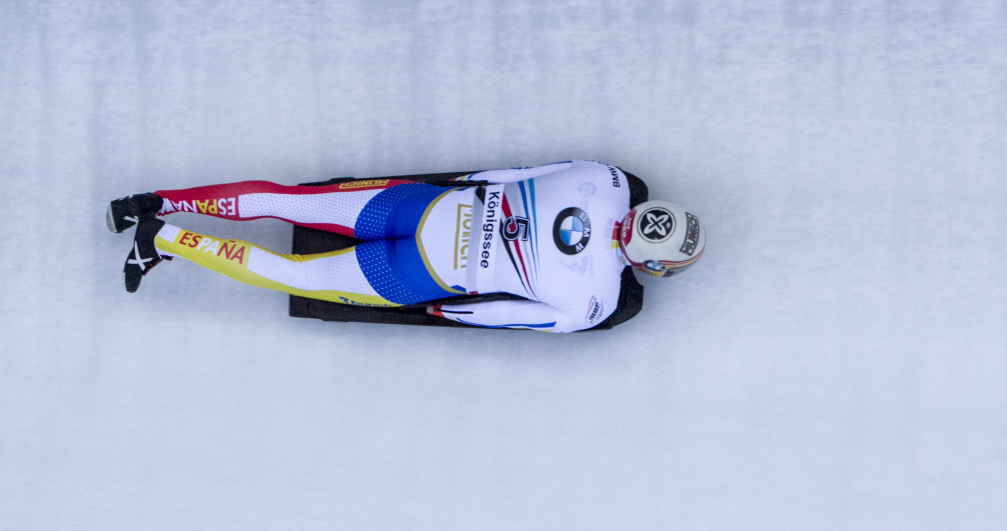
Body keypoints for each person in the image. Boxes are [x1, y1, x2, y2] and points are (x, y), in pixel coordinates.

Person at [108, 160, 705, 333]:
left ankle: (153, 202)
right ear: (654, 263)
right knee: (295, 277)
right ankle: (164, 240)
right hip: (412, 274)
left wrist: (466, 193)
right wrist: (443, 312)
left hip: (420, 204)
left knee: (291, 201)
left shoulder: (606, 179)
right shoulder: (594, 303)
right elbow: (498, 315)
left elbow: (515, 173)